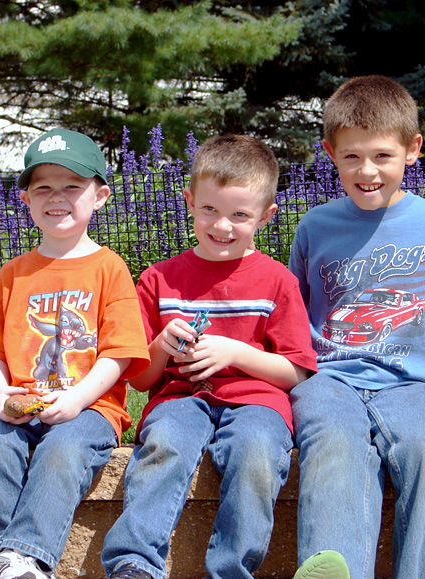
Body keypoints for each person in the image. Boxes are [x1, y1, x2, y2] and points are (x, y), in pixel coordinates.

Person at [288, 75, 425, 579]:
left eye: (382, 155)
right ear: (329, 153)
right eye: (352, 156)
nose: (367, 171)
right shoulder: (314, 226)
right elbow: (290, 321)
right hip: (329, 380)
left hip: (409, 386)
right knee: (334, 444)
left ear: (413, 150)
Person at [100, 135, 318, 579]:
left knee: (256, 451)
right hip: (179, 399)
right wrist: (161, 345)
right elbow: (141, 381)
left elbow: (296, 371)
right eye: (210, 210)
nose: (223, 226)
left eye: (240, 215)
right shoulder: (159, 280)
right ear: (189, 201)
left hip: (258, 401)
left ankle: (232, 569)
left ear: (266, 215)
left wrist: (237, 351)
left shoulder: (277, 281)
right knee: (165, 446)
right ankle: (133, 563)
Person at [0, 128, 150, 579]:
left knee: (62, 450)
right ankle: (14, 566)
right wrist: (2, 396)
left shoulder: (109, 268)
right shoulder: (14, 273)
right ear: (25, 198)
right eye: (43, 186)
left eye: (71, 186)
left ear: (99, 195)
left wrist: (79, 399)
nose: (56, 197)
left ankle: (24, 554)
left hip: (90, 407)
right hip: (21, 399)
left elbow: (119, 353)